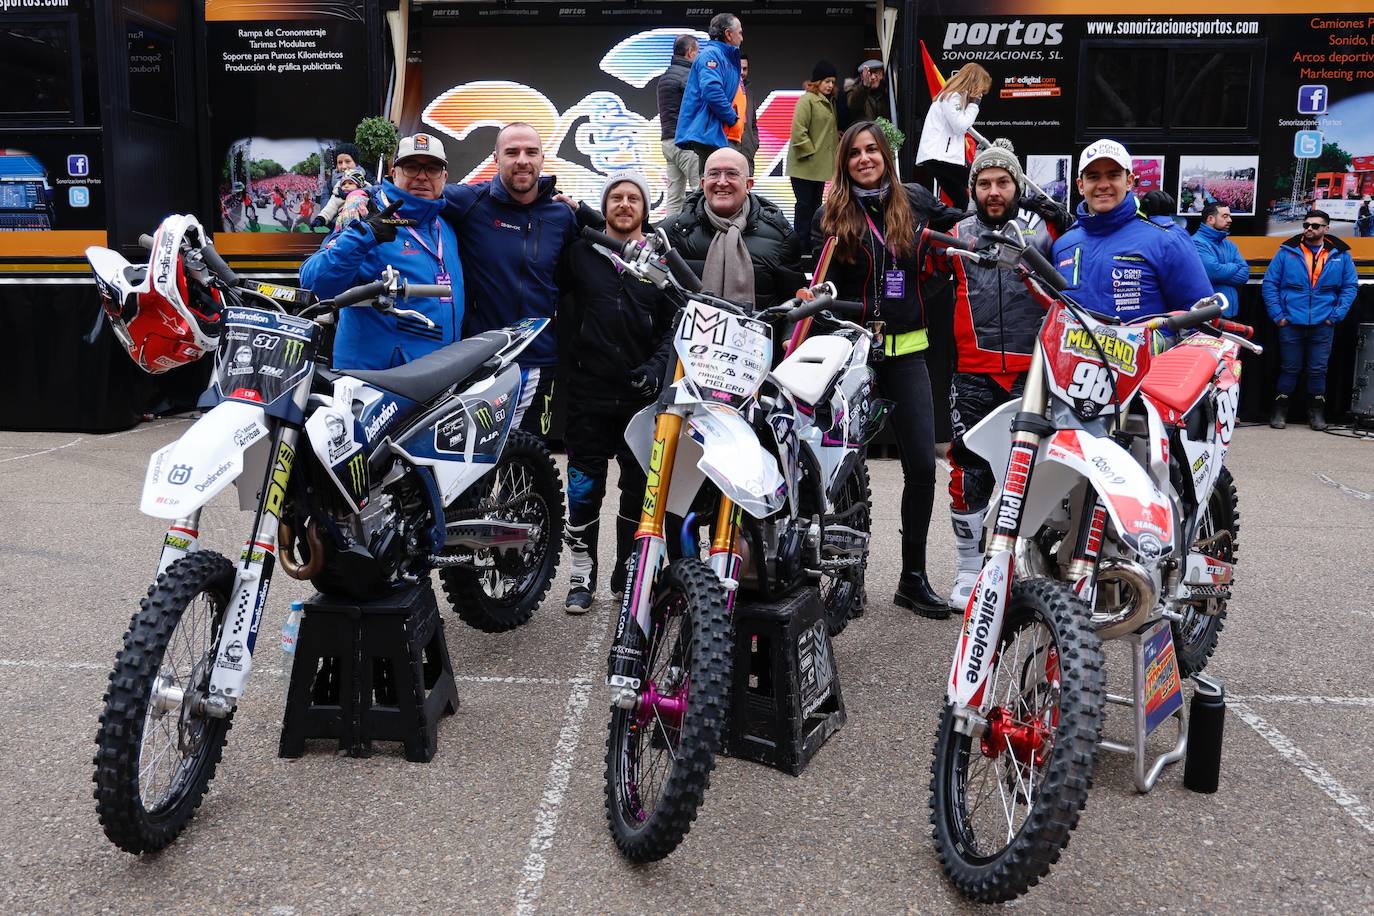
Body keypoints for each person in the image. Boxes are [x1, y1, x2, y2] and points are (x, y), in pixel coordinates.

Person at [815, 121, 964, 618]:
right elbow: (813, 279)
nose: (864, 158)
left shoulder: (916, 200)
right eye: (854, 152)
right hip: (852, 354)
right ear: (844, 161)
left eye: (872, 150)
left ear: (885, 155)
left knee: (922, 465)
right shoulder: (832, 212)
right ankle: (845, 577)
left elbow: (965, 227)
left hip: (907, 354)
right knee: (842, 470)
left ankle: (912, 577)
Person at [929, 139, 1070, 611]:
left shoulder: (1045, 229)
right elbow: (915, 261)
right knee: (968, 468)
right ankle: (970, 567)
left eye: (1003, 182)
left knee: (1038, 470)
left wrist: (1061, 216)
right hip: (972, 371)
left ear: (1016, 185)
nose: (994, 190)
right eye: (984, 182)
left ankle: (1028, 562)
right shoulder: (957, 232)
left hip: (1034, 372)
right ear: (973, 188)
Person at [558, 171, 677, 612]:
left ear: (645, 210)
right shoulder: (579, 254)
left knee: (636, 487)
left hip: (639, 396)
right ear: (604, 207)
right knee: (584, 486)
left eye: (634, 199)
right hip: (587, 390)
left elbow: (673, 327)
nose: (625, 204)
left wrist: (656, 368)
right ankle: (580, 573)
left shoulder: (660, 263)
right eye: (616, 198)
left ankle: (626, 569)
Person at [442, 122, 578, 436]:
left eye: (531, 152)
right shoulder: (470, 202)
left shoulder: (561, 215)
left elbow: (568, 278)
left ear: (543, 159)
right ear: (496, 158)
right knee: (474, 466)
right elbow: (415, 192)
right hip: (480, 360)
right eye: (512, 152)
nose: (522, 160)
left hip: (538, 361)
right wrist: (356, 194)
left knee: (529, 464)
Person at [300, 133, 464, 371]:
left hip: (436, 379)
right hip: (378, 383)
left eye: (432, 168)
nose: (421, 176)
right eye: (411, 167)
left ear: (444, 177)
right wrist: (363, 235)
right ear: (394, 172)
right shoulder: (365, 214)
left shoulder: (445, 225)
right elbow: (314, 284)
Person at [1051, 139, 1212, 321]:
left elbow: (1202, 319)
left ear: (1129, 181)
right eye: (1093, 177)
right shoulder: (1063, 245)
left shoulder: (1166, 240)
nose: (1103, 185)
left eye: (1113, 175)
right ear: (1081, 185)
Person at [658, 146, 805, 311]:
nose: (721, 182)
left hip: (759, 334)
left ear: (748, 184)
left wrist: (787, 337)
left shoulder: (779, 236)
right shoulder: (673, 232)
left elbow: (795, 303)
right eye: (714, 174)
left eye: (732, 174)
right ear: (703, 183)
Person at [1261, 209, 1359, 431]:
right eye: (1306, 225)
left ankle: (1316, 413)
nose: (1309, 229)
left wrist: (1335, 316)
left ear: (1326, 228)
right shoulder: (1287, 252)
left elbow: (1350, 286)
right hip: (1291, 322)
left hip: (1323, 324)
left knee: (1318, 370)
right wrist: (1279, 316)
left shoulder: (1340, 254)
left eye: (1315, 226)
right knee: (1290, 368)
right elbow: (1270, 284)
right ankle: (1279, 411)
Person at [674, 12, 743, 174]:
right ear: (728, 34)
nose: (742, 38)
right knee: (713, 188)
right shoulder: (711, 55)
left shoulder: (725, 56)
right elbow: (712, 91)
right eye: (740, 33)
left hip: (722, 134)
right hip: (713, 134)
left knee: (718, 187)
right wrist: (732, 118)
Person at [915, 63, 990, 211]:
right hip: (940, 157)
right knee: (979, 181)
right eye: (981, 90)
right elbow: (960, 127)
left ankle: (938, 230)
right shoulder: (952, 96)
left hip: (939, 157)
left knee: (961, 201)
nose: (981, 95)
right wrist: (974, 105)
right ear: (974, 83)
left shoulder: (952, 96)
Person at [787, 61, 839, 239]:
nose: (830, 85)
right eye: (827, 81)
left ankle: (812, 243)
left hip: (818, 167)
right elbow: (798, 131)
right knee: (804, 206)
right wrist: (812, 153)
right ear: (817, 82)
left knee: (816, 207)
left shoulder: (828, 102)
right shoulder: (807, 100)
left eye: (833, 82)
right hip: (804, 166)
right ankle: (801, 246)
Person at [657, 33, 700, 218]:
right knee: (702, 191)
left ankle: (670, 238)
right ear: (690, 52)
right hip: (686, 143)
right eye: (697, 52)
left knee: (674, 197)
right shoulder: (688, 76)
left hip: (668, 142)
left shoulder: (665, 77)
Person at [1192, 202, 1250, 318]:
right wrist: (1235, 266)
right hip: (1207, 315)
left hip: (1230, 313)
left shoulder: (1230, 245)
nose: (1230, 220)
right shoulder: (1196, 243)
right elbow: (1214, 272)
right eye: (1225, 216)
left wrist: (1223, 272)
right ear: (1210, 219)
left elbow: (1244, 275)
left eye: (1229, 216)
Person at [732, 52, 760, 175]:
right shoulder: (725, 90)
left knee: (746, 190)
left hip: (747, 151)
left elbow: (753, 123)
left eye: (745, 69)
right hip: (731, 150)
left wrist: (754, 143)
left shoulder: (749, 91)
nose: (742, 72)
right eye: (739, 68)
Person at [847, 59, 888, 123]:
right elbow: (853, 103)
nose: (873, 77)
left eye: (877, 73)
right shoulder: (856, 90)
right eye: (870, 74)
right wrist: (865, 86)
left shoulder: (888, 92)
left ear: (882, 75)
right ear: (862, 76)